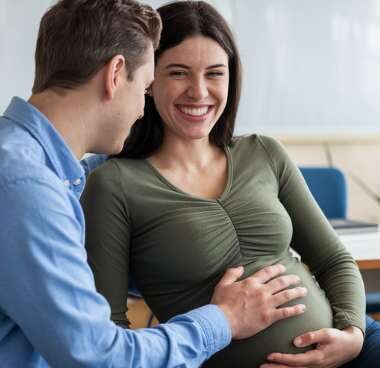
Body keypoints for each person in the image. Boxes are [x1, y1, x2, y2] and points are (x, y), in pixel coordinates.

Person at [0, 0, 309, 367]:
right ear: (115, 74)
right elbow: (100, 357)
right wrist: (222, 320)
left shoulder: (38, 165)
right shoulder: (27, 186)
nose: (142, 110)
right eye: (146, 86)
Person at [80, 1, 380, 368]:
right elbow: (108, 332)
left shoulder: (264, 152)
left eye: (215, 73)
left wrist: (351, 336)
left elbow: (334, 260)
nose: (199, 91)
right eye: (178, 72)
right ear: (148, 78)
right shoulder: (113, 185)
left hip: (346, 345)